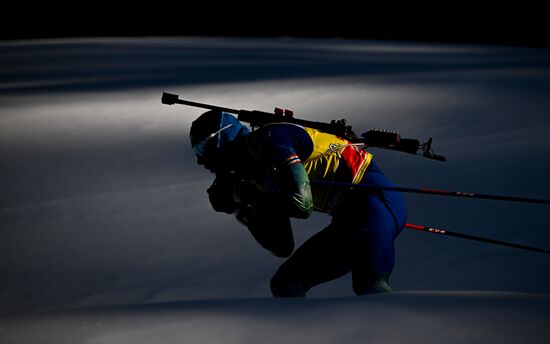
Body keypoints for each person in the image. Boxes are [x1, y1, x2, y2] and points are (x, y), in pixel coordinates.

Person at [189, 110, 407, 297]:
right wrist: (243, 208)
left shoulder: (269, 139)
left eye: (201, 149)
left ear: (221, 138)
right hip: (351, 219)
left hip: (375, 203)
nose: (199, 161)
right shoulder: (253, 175)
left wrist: (246, 195)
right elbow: (282, 245)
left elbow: (302, 205)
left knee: (371, 290)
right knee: (284, 285)